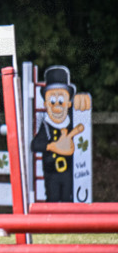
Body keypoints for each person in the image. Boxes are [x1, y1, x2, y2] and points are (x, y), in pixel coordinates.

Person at [31, 65, 91, 202]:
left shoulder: (71, 121)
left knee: (67, 199)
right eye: (52, 101)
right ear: (46, 103)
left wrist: (83, 102)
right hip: (51, 173)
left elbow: (82, 122)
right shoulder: (46, 125)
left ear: (68, 103)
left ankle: (68, 222)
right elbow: (35, 144)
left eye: (61, 100)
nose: (57, 105)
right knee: (52, 199)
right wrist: (52, 146)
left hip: (69, 173)